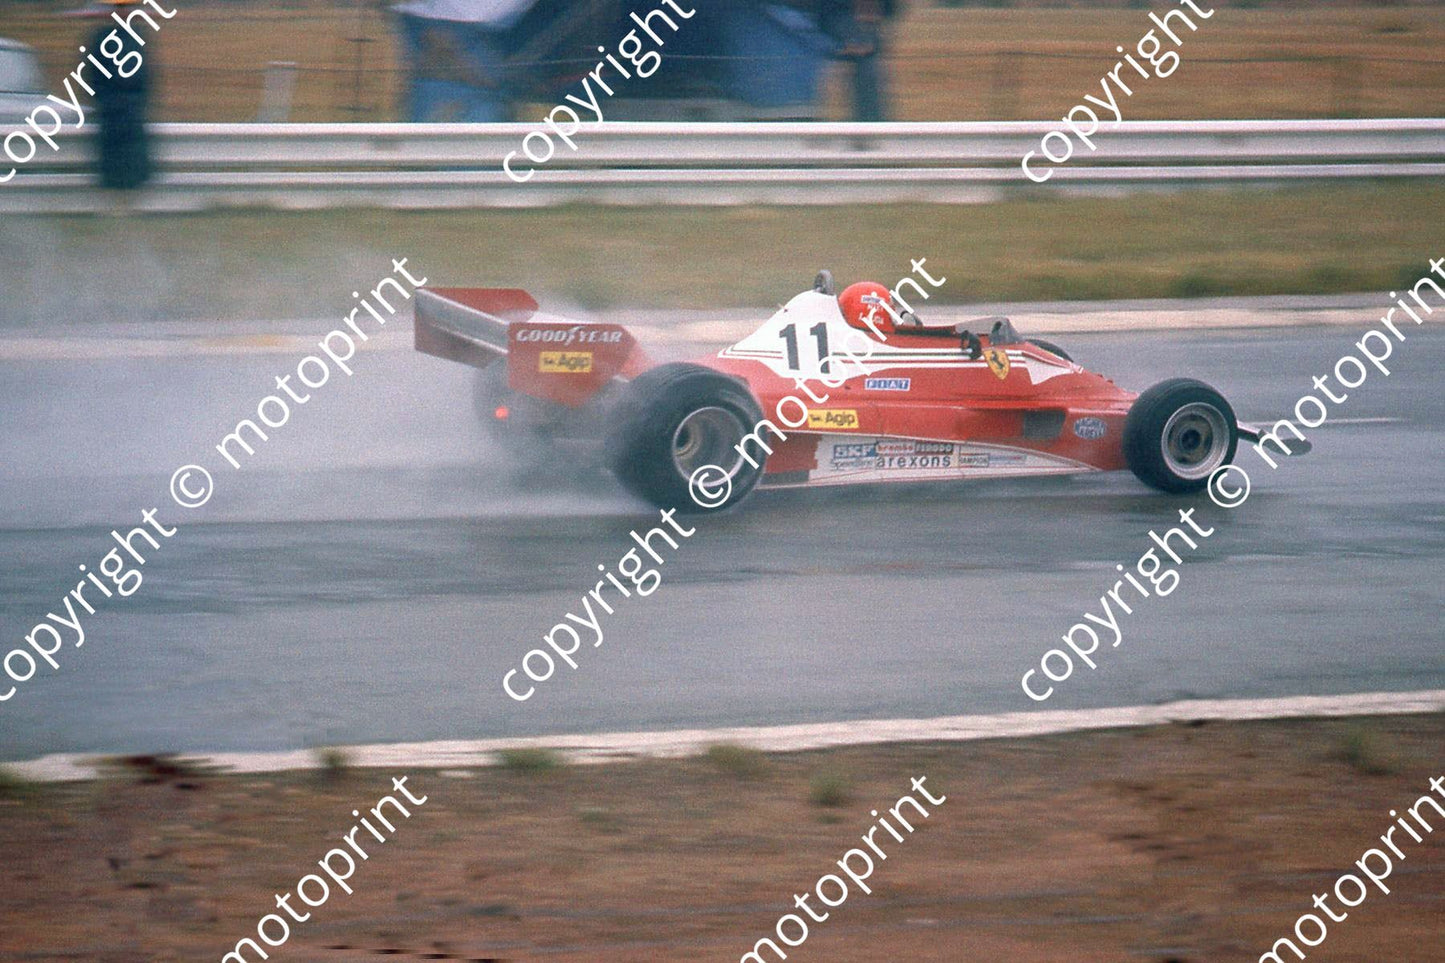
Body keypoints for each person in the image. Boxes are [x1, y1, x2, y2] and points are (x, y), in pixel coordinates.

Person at [83, 0, 155, 190]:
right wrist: (106, 103)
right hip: (111, 119)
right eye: (118, 9)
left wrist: (137, 103)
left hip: (131, 118)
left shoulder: (138, 37)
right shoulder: (100, 39)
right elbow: (92, 77)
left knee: (133, 176)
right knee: (114, 175)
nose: (122, 13)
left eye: (125, 9)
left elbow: (147, 76)